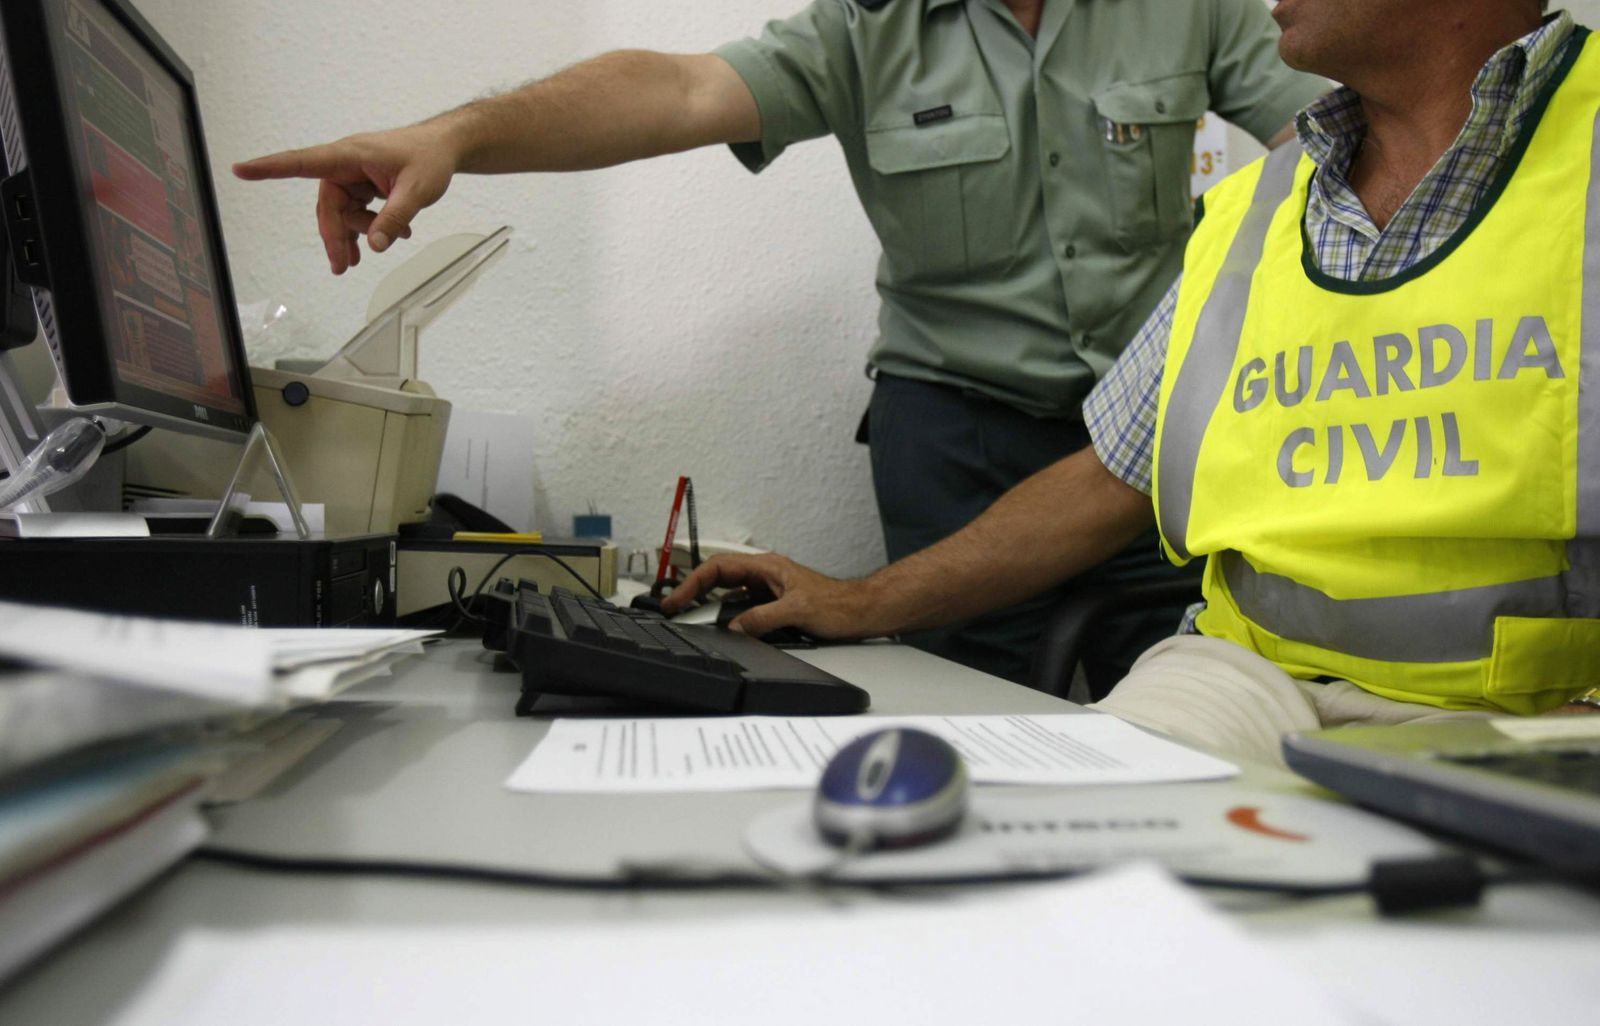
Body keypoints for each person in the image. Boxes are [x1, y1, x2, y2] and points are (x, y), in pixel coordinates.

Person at [233, 0, 1325, 688]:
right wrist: (456, 137)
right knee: (971, 716)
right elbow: (674, 89)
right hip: (957, 437)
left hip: (1156, 443)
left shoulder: (1197, 10)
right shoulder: (863, 27)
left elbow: (1336, 128)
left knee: (1178, 698)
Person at [665, 0, 1600, 768]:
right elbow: (1110, 476)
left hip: (1533, 704)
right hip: (1241, 678)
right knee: (1045, 847)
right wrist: (858, 600)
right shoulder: (1258, 210)